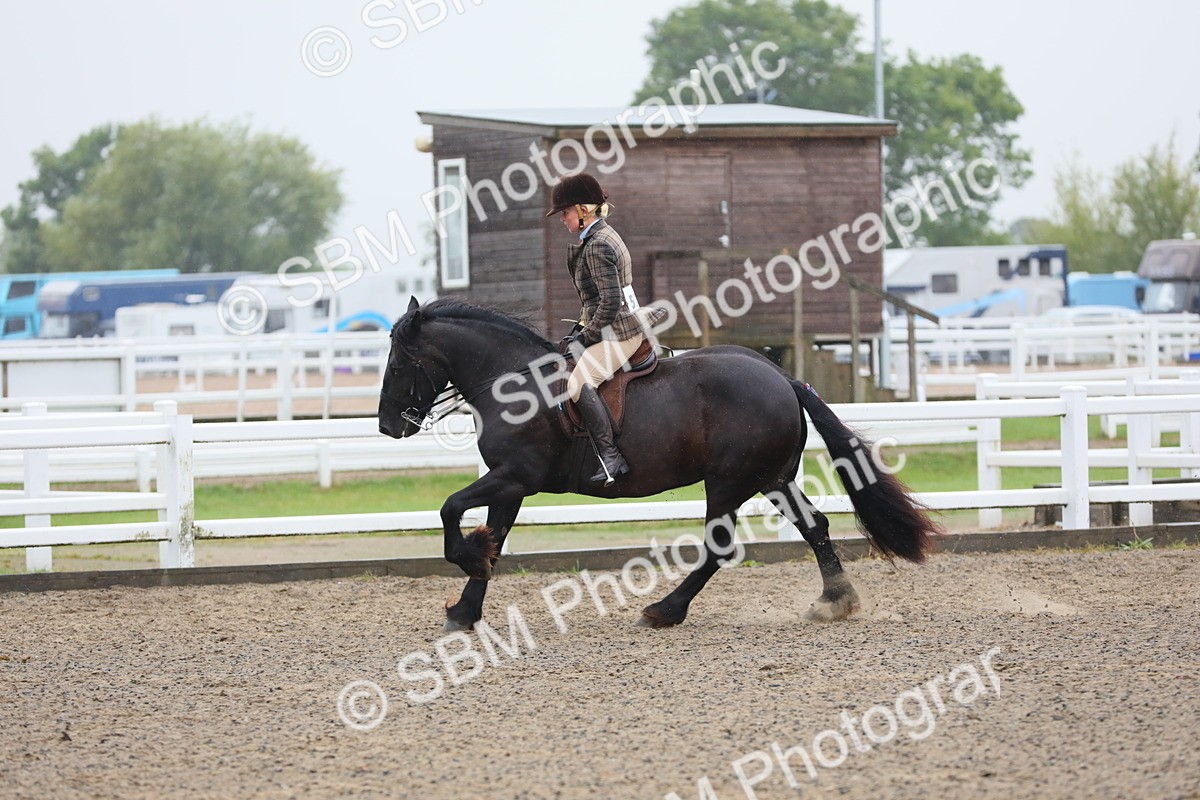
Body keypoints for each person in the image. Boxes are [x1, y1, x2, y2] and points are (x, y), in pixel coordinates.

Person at [547, 173, 666, 485]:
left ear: (583, 210)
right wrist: (579, 329)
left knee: (578, 384)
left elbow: (610, 303)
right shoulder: (601, 236)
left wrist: (586, 337)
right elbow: (596, 301)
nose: (562, 219)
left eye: (565, 212)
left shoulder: (598, 245)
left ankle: (610, 457)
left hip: (619, 331)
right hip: (615, 325)